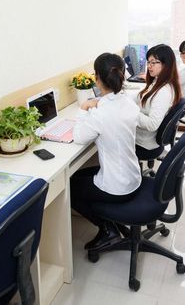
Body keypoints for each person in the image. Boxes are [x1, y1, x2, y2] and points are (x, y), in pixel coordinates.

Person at [70, 53, 141, 250]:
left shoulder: (100, 113)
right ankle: (108, 222)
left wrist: (84, 108)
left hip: (118, 188)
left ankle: (107, 229)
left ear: (97, 78)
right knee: (80, 176)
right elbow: (112, 109)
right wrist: (99, 103)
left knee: (71, 188)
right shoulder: (129, 103)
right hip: (134, 177)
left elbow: (79, 137)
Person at [134, 44, 181, 158]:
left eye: (153, 63)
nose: (149, 66)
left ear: (166, 65)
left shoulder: (163, 92)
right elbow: (143, 97)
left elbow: (152, 124)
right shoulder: (158, 81)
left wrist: (131, 111)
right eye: (148, 62)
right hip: (144, 138)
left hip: (144, 144)